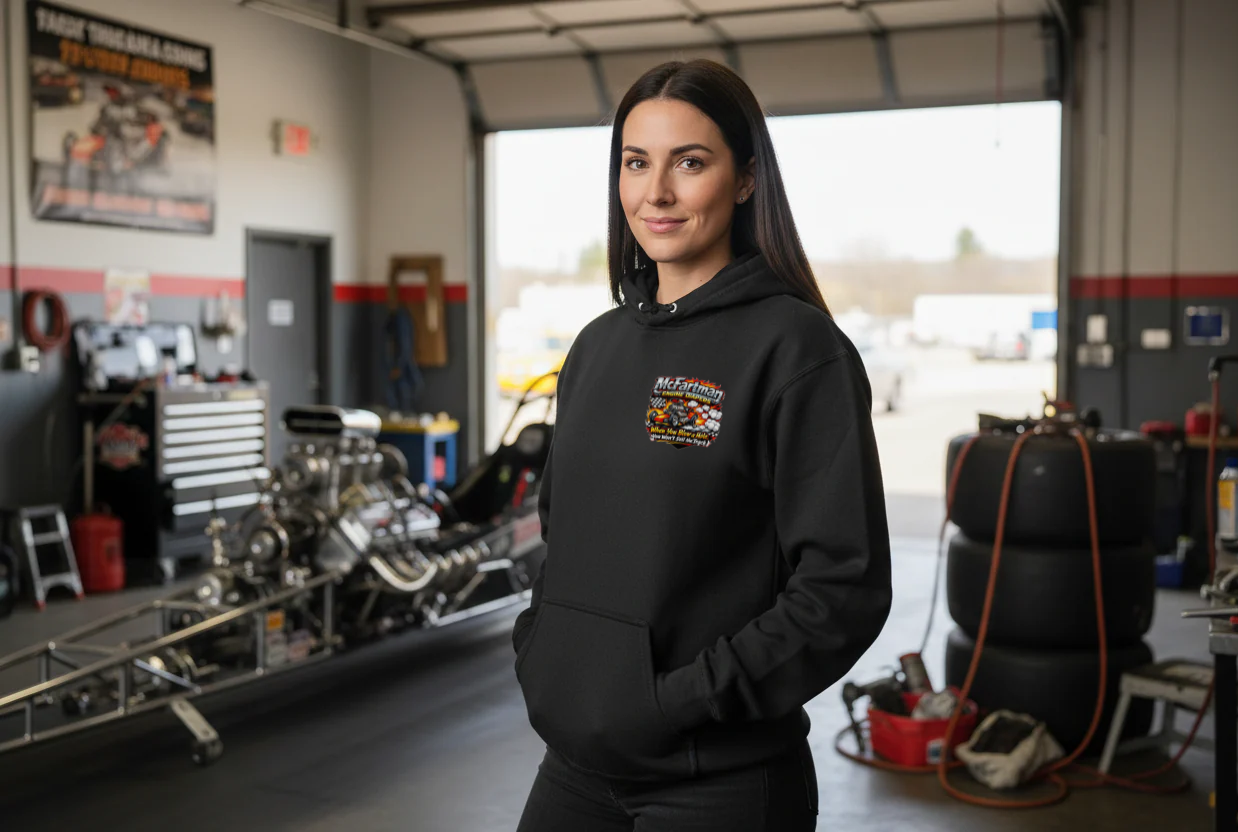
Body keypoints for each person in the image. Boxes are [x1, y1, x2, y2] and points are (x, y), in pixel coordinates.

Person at [512, 58, 892, 831]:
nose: (656, 193)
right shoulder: (595, 347)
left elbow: (842, 588)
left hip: (717, 782)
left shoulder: (797, 350)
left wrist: (682, 700)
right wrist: (544, 656)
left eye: (689, 162)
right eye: (635, 163)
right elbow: (564, 536)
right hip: (575, 768)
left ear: (747, 179)